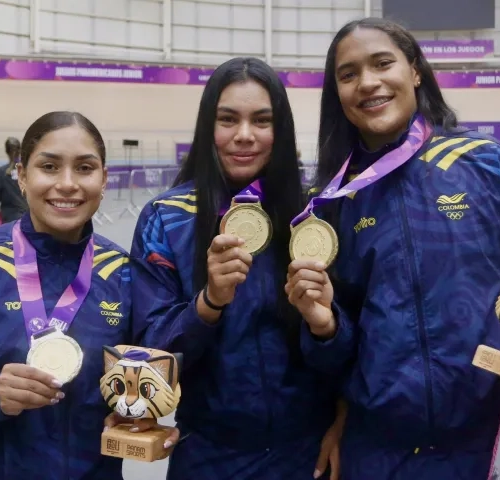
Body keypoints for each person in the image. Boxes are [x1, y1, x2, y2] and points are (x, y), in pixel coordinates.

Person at [285, 18, 500, 479]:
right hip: (377, 447)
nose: (368, 82)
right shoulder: (334, 198)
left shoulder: (482, 161)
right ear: (336, 92)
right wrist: (326, 336)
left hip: (484, 437)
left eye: (382, 63)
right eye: (348, 73)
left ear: (414, 70)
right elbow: (341, 337)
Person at [0, 111, 176, 479]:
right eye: (49, 166)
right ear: (22, 175)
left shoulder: (122, 272)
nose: (67, 184)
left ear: (104, 179)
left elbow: (147, 370)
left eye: (84, 168)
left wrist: (142, 414)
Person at [128, 57, 342, 479]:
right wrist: (207, 305)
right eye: (228, 120)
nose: (244, 136)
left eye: (262, 121)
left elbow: (356, 343)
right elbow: (148, 350)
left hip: (307, 453)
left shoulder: (313, 215)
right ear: (208, 126)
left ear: (281, 131)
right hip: (209, 456)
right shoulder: (166, 219)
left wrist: (327, 328)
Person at [0, 136, 28, 224]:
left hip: (9, 219)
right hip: (29, 217)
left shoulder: (0, 172)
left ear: (6, 151)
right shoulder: (28, 170)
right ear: (20, 149)